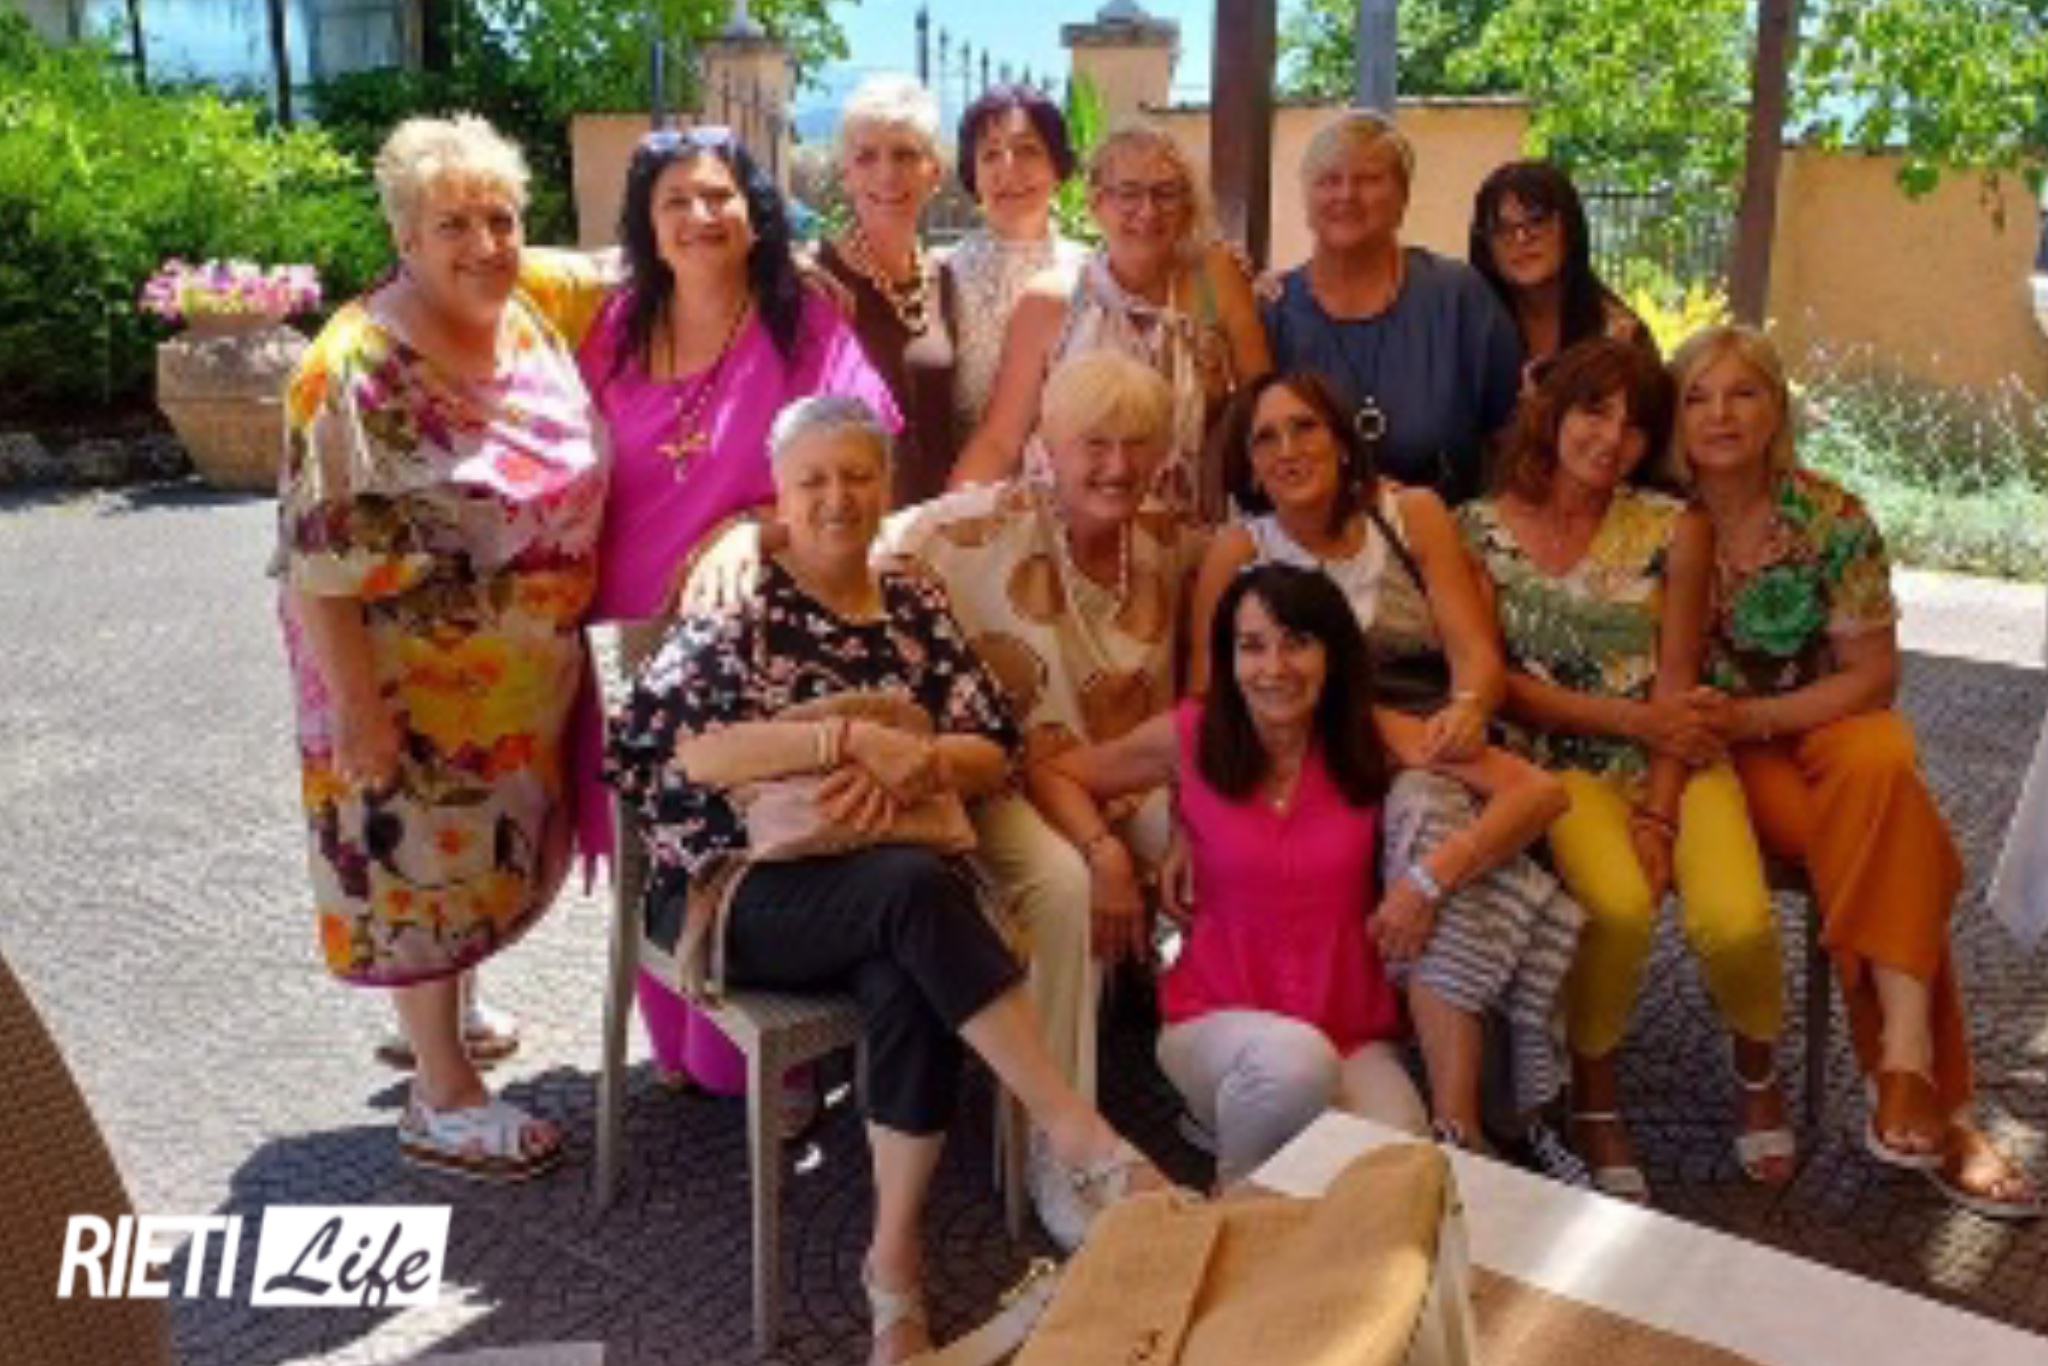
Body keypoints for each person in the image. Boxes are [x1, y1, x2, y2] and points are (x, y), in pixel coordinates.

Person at [606, 397, 1166, 1363]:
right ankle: (1081, 1136)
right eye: (813, 480)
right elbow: (686, 751)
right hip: (735, 893)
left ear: (887, 486)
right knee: (913, 891)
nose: (838, 498)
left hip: (883, 898)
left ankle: (893, 1270)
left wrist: (925, 762)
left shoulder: (910, 598)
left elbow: (992, 744)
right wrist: (849, 740)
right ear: (780, 496)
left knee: (909, 953)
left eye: (857, 475)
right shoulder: (741, 593)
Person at [276, 115, 604, 1180]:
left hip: (517, 684)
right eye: (451, 224)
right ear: (404, 237)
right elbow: (317, 564)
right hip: (404, 688)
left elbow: (627, 265)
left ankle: (446, 1012)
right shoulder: (352, 369)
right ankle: (442, 1096)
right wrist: (359, 716)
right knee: (416, 867)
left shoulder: (527, 309)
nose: (484, 243)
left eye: (500, 218)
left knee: (473, 861)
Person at [1670, 325, 2041, 1220]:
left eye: (1743, 393)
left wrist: (1761, 713)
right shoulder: (1652, 519)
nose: (1721, 415)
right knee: (1886, 842)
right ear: (1673, 417)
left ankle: (1907, 1067)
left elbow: (1873, 678)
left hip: (1820, 721)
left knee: (1881, 758)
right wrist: (1733, 726)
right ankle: (1933, 1097)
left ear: (1776, 407)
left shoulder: (1831, 518)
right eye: (1697, 397)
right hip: (1724, 756)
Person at [1034, 564, 1567, 1186]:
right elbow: (1056, 774)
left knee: (1404, 1174)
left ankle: (1270, 1132)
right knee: (1293, 1066)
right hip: (1213, 1017)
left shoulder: (1369, 735)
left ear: (1332, 655)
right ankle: (1236, 1196)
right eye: (1252, 646)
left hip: (1350, 1034)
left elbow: (1539, 792)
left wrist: (1429, 879)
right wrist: (1106, 855)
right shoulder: (1193, 735)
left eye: (1297, 643)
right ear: (1230, 660)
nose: (1274, 668)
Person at [572, 126, 901, 1105]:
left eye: (718, 196)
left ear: (753, 213)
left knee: (747, 823)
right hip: (634, 621)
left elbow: (863, 446)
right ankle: (682, 1027)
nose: (698, 216)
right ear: (646, 224)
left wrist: (755, 528)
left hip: (763, 625)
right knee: (656, 830)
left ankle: (772, 1045)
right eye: (673, 200)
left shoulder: (801, 320)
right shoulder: (616, 322)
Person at [1187, 372, 1586, 1174]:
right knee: (1433, 818)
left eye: (1305, 427)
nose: (1288, 449)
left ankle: (1455, 1119)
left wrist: (1469, 706)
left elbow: (1475, 653)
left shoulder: (1414, 515)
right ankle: (1468, 1120)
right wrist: (1188, 820)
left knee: (1434, 807)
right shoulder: (1240, 550)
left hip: (1431, 728)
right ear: (1248, 465)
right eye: (1265, 438)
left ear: (1342, 438)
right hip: (1309, 748)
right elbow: (1206, 698)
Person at [1460, 337, 1790, 1200]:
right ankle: (1595, 1097)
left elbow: (1677, 680)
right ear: (1552, 411)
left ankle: (1759, 1074)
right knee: (1616, 908)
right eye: (1594, 411)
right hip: (1555, 769)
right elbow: (1501, 684)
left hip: (1676, 762)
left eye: (1636, 425)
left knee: (1737, 922)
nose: (1612, 438)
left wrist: (1660, 811)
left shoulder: (1674, 526)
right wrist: (1630, 719)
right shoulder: (1478, 531)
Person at [950, 122, 1270, 519]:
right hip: (1067, 527)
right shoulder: (1050, 300)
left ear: (1187, 204)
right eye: (1129, 193)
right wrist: (942, 521)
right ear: (1096, 202)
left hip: (1186, 527)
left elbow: (1262, 406)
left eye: (1165, 193)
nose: (1148, 211)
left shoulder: (1216, 278)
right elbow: (1001, 440)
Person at [1263, 109, 1521, 507]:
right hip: (1309, 538)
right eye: (1329, 180)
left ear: (1403, 197)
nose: (1346, 195)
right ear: (1307, 199)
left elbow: (1512, 438)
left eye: (1368, 179)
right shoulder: (1273, 311)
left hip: (1444, 534)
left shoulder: (1458, 299)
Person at [815, 75, 957, 504]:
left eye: (905, 155)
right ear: (846, 175)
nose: (887, 174)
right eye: (866, 157)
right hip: (850, 522)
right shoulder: (815, 280)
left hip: (937, 524)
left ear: (934, 172)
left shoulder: (946, 279)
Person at [943, 83, 1087, 437]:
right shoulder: (941, 272)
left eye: (1027, 150)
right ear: (972, 173)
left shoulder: (1094, 272)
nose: (1009, 168)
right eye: (990, 154)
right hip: (967, 466)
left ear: (1057, 165)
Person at [1467, 159, 1655, 386]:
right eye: (1502, 229)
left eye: (1537, 221)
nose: (1521, 239)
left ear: (1569, 227)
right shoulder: (1470, 328)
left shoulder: (1619, 333)